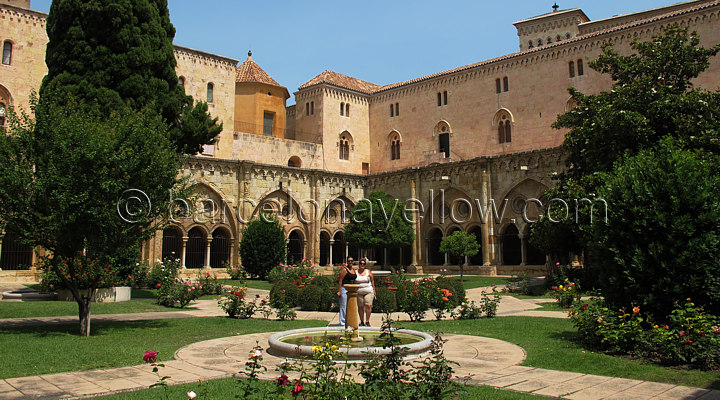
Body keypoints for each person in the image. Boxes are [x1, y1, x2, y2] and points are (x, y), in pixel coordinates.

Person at [336, 257, 356, 326]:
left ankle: (349, 320)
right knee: (343, 305)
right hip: (344, 289)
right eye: (349, 261)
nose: (350, 262)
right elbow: (340, 280)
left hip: (352, 289)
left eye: (351, 261)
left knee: (351, 305)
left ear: (353, 262)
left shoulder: (354, 270)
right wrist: (339, 291)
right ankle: (343, 321)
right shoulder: (344, 270)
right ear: (347, 262)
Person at [355, 259, 375, 327]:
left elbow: (372, 281)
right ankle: (361, 321)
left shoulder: (368, 272)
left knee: (368, 305)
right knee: (360, 307)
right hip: (359, 292)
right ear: (359, 264)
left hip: (368, 291)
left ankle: (367, 321)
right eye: (361, 263)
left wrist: (374, 290)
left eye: (364, 264)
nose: (362, 265)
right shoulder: (356, 272)